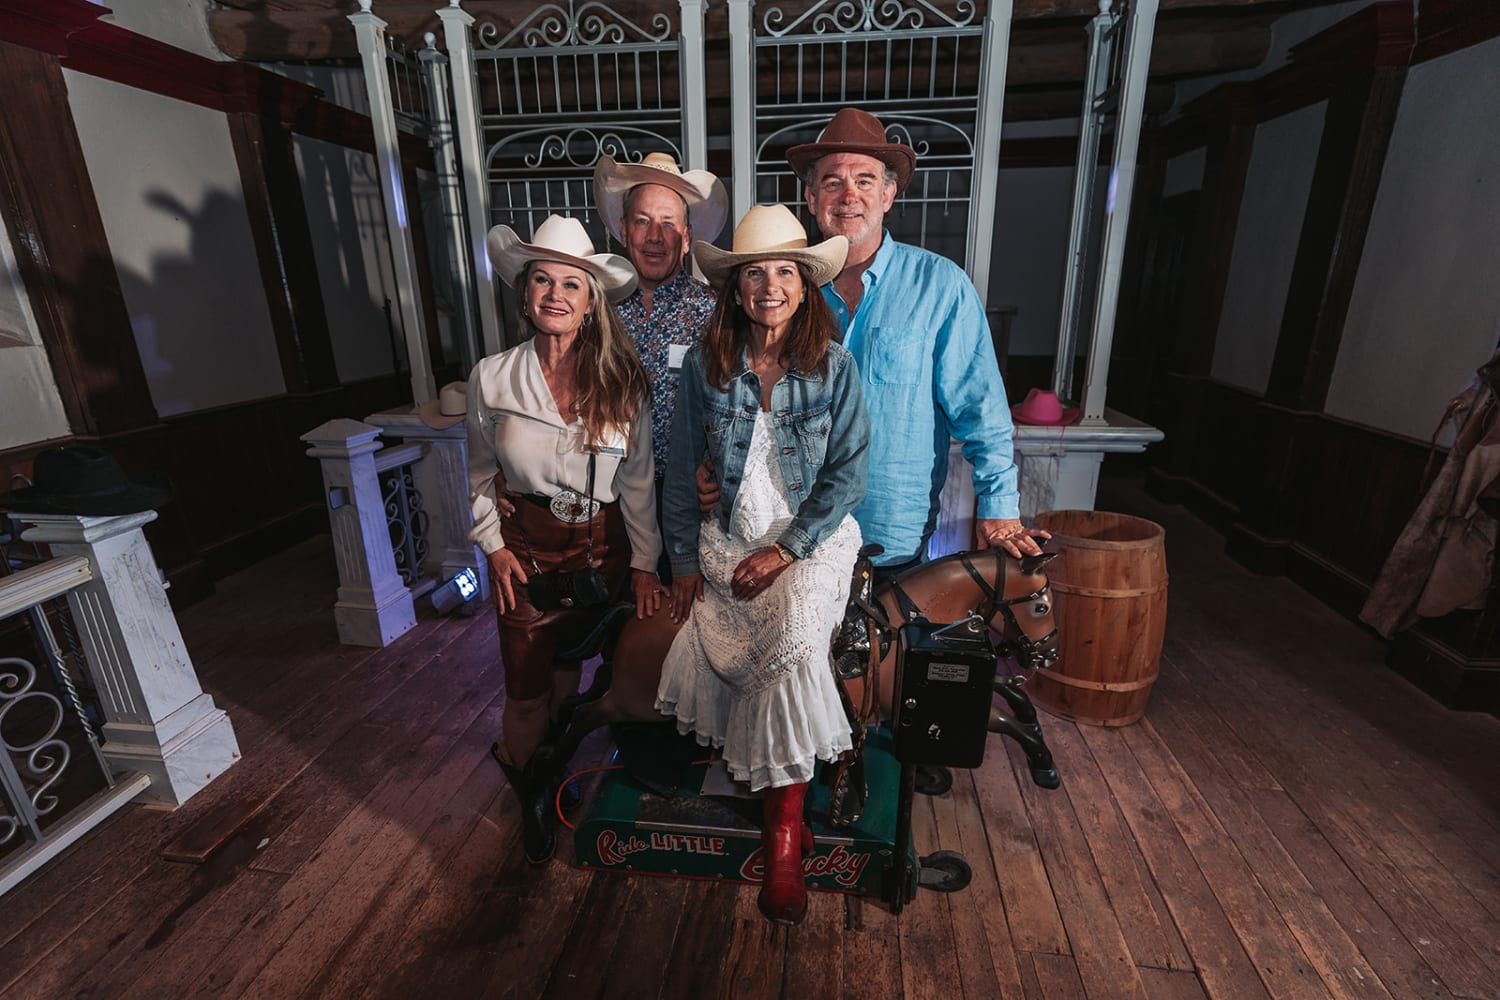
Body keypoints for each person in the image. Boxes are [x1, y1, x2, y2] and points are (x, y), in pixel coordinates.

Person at [655, 204, 869, 926]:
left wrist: (787, 550)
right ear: (735, 287)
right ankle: (768, 794)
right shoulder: (703, 365)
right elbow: (685, 463)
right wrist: (684, 558)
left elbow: (847, 476)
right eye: (754, 272)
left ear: (806, 285)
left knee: (792, 639)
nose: (769, 285)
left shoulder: (835, 365)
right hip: (728, 537)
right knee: (708, 634)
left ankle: (782, 837)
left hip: (809, 537)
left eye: (785, 271)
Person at [467, 214, 666, 864]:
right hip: (523, 552)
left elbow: (635, 485)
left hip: (598, 550)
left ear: (590, 302)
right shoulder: (491, 377)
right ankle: (530, 798)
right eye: (543, 281)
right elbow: (476, 470)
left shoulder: (621, 380)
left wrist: (642, 563)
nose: (556, 294)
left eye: (571, 285)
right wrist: (491, 544)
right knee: (526, 689)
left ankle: (551, 770)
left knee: (568, 676)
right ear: (525, 294)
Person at [778, 107, 1051, 574]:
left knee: (892, 648)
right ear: (810, 196)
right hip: (791, 530)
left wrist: (999, 505)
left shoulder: (941, 287)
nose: (849, 196)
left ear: (888, 194)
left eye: (865, 180)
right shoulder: (785, 289)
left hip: (889, 535)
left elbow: (979, 408)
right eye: (831, 182)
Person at [593, 153, 728, 579]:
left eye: (668, 224)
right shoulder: (593, 311)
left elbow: (732, 406)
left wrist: (716, 472)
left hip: (688, 498)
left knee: (686, 627)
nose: (655, 236)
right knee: (619, 625)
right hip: (607, 494)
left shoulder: (713, 314)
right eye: (642, 221)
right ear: (622, 230)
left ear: (687, 237)